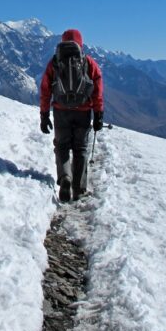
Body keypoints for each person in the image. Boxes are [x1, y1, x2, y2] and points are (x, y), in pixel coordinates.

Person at [39, 29, 104, 202]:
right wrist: (98, 113)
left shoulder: (54, 62)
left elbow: (45, 89)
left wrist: (44, 114)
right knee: (80, 149)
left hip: (61, 111)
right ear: (80, 43)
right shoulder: (88, 62)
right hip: (83, 111)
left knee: (62, 146)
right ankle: (79, 188)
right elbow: (97, 89)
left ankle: (65, 177)